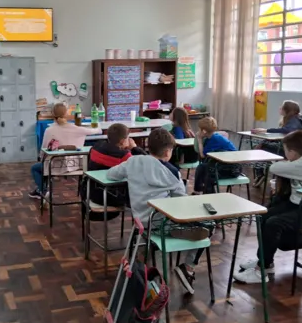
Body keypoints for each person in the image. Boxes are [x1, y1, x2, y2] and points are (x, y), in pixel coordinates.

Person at [106, 128, 209, 294]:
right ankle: (188, 267)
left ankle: (164, 242)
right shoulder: (172, 172)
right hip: (163, 224)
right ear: (168, 151)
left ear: (149, 146)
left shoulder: (133, 161)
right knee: (207, 225)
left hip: (140, 222)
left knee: (190, 225)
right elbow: (181, 203)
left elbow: (111, 174)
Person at [233, 130, 302, 284]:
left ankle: (261, 271)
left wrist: (286, 162)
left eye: (286, 151)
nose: (285, 154)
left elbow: (274, 168)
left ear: (293, 152)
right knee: (264, 214)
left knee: (273, 223)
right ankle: (265, 262)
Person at [29, 103, 101, 199]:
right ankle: (41, 190)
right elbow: (97, 131)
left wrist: (42, 160)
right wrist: (98, 124)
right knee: (44, 166)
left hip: (53, 165)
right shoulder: (77, 129)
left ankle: (42, 190)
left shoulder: (49, 130)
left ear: (52, 114)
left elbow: (44, 150)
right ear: (66, 114)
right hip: (76, 165)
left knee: (36, 168)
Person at [81, 123, 146, 220]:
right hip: (111, 197)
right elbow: (146, 162)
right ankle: (140, 226)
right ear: (123, 141)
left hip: (90, 192)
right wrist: (134, 148)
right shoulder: (124, 155)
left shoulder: (96, 147)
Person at [251, 100, 302, 186]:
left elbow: (286, 131)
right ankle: (263, 167)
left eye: (282, 107)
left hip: (288, 151)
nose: (280, 108)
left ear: (287, 110)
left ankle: (260, 173)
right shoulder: (290, 120)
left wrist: (266, 130)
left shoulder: (294, 121)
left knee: (260, 148)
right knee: (261, 145)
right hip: (285, 148)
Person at [192, 117, 240, 195]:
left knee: (208, 171)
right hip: (223, 165)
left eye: (199, 129)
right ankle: (197, 191)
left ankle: (209, 195)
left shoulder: (214, 139)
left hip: (233, 169)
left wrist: (199, 139)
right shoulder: (211, 137)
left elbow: (202, 155)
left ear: (204, 131)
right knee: (202, 167)